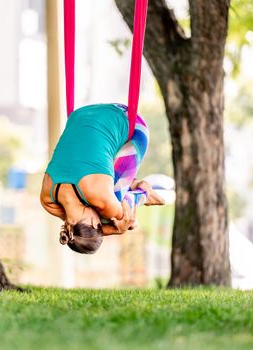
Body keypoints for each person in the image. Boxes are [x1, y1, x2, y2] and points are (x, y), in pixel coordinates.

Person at [40, 103, 164, 254]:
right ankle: (129, 184)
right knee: (106, 207)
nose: (99, 223)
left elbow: (129, 221)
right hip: (81, 114)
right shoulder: (48, 201)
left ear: (94, 223)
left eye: (98, 226)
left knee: (113, 212)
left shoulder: (101, 198)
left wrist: (116, 230)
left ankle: (144, 193)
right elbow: (77, 230)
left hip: (131, 122)